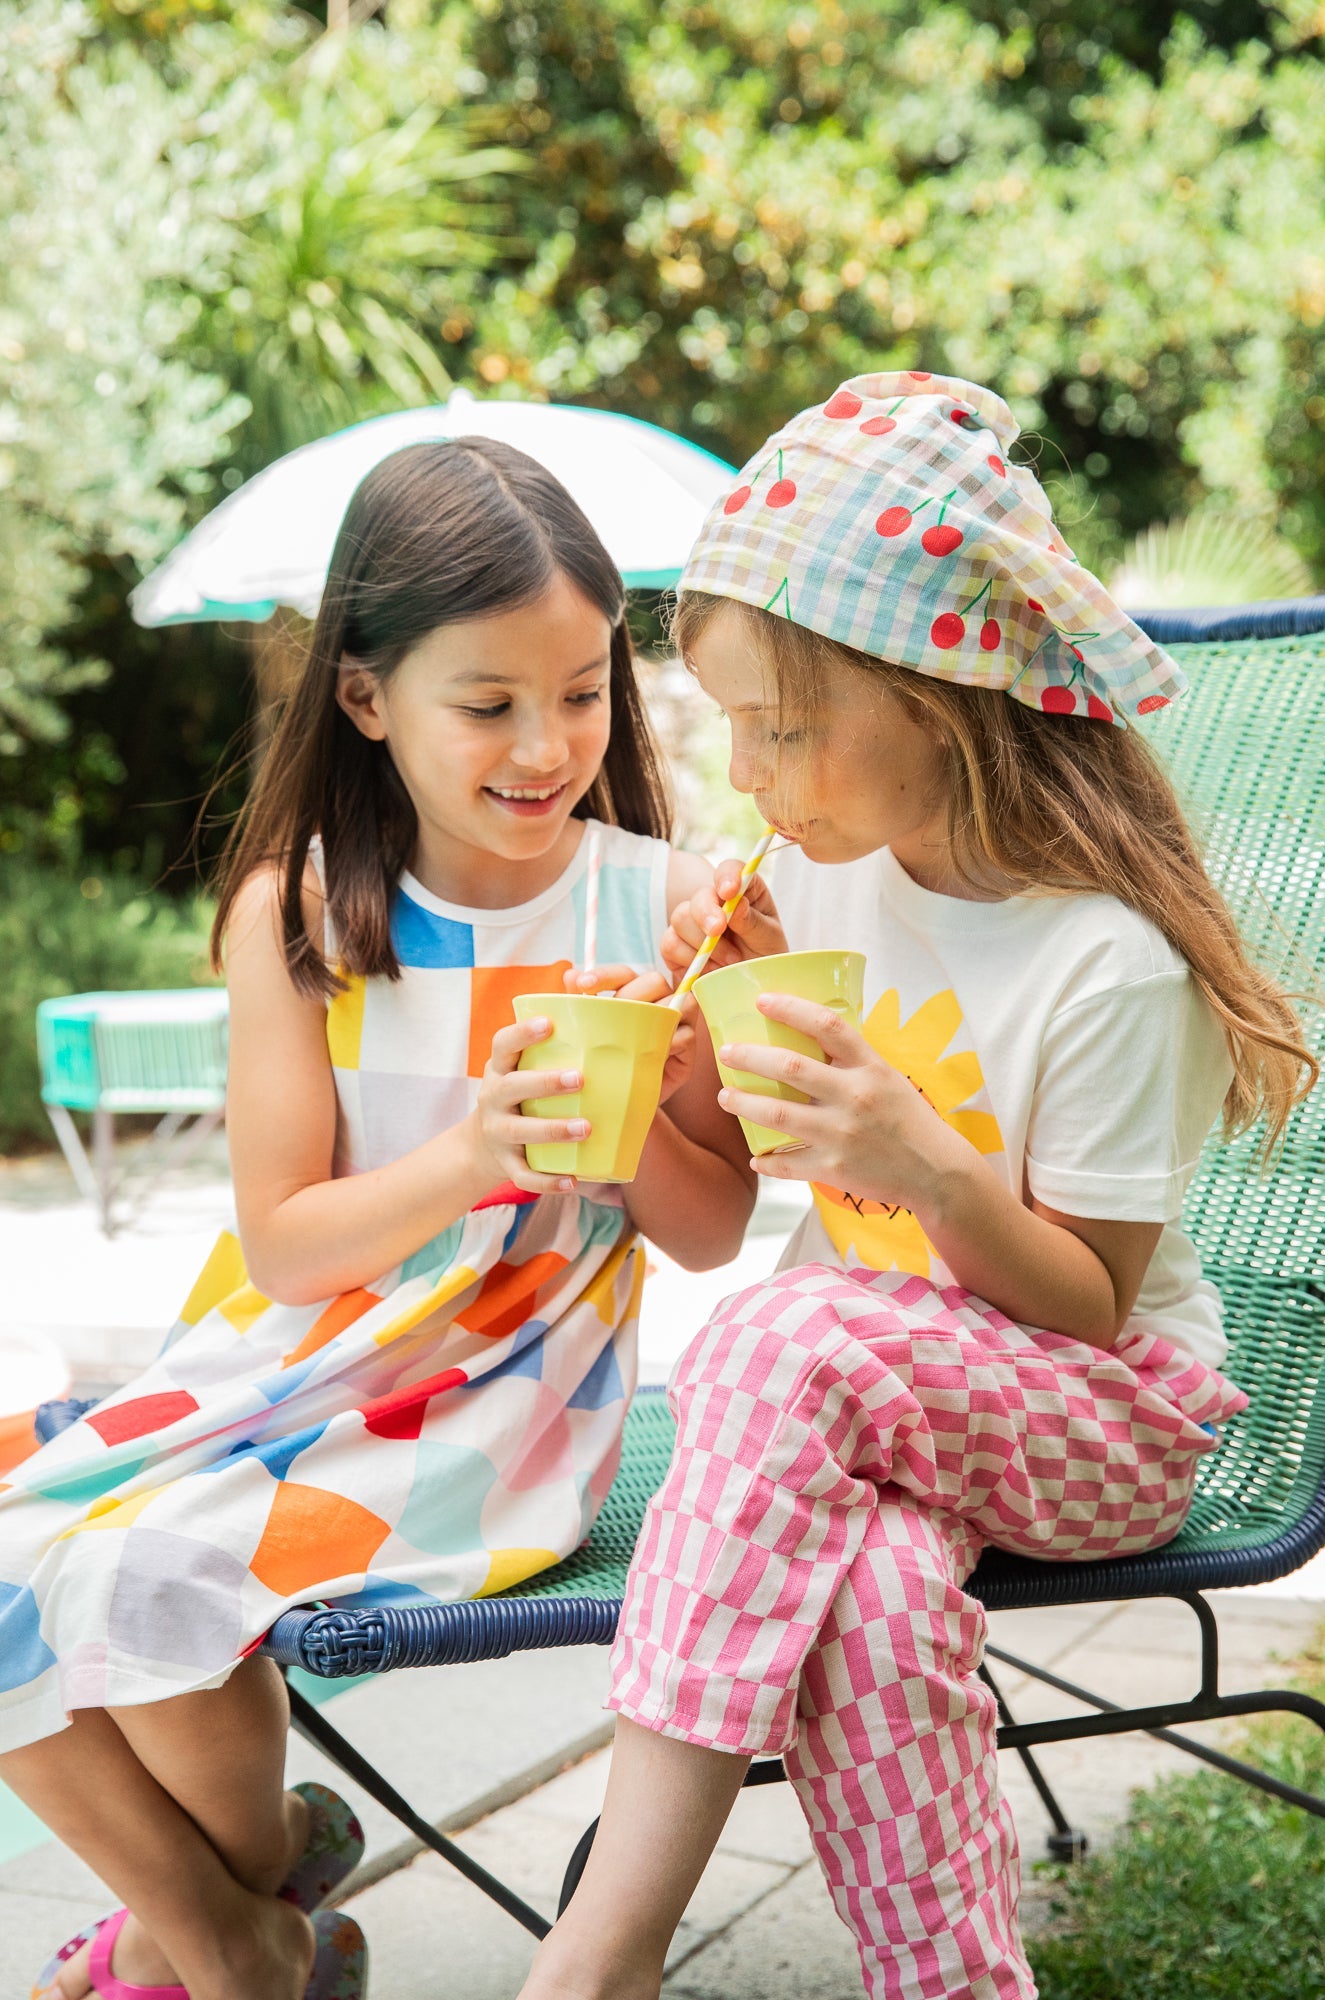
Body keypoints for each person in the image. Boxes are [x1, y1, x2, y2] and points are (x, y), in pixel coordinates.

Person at [517, 373, 1318, 2000]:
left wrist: (928, 1169)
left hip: (1108, 1411)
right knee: (872, 1592)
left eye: (785, 727)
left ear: (938, 694)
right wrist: (702, 1037)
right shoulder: (814, 875)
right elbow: (745, 1164)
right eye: (732, 724)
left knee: (773, 1336)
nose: (748, 774)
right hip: (884, 1403)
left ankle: (599, 1957)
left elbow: (1089, 1305)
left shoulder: (1104, 960)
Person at [1, 437, 755, 2000]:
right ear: (364, 697)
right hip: (290, 1355)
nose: (545, 744)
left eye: (582, 692)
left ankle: (200, 1938)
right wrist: (480, 1146)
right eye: (487, 704)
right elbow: (286, 1244)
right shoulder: (297, 912)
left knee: (143, 1580)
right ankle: (238, 1923)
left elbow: (711, 1232)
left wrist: (640, 1128)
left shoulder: (657, 906)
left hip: (497, 1400)